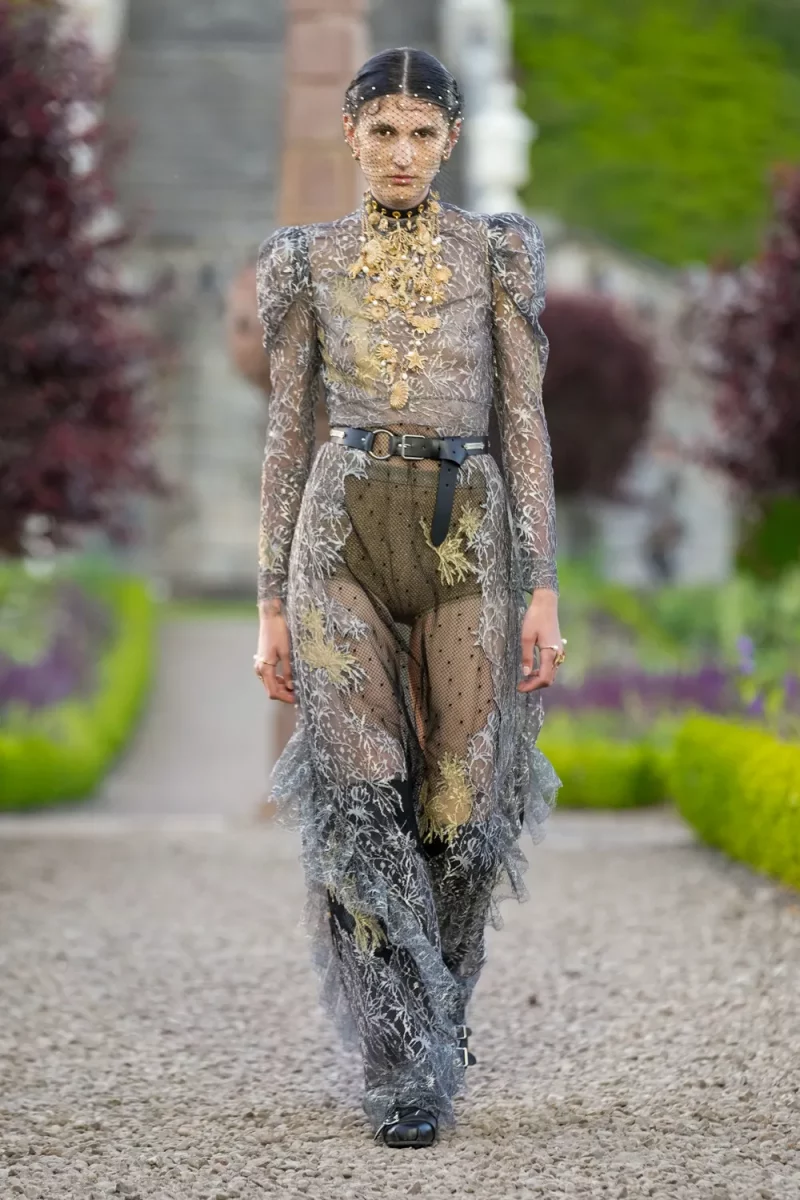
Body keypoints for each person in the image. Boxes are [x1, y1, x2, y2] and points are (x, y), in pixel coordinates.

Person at [253, 48, 564, 1148]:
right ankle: (401, 1065)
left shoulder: (494, 252)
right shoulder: (306, 259)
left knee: (464, 807)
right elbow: (284, 432)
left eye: (420, 133)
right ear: (350, 135)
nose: (399, 152)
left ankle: (439, 1009)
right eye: (380, 130)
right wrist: (270, 605)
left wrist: (541, 584)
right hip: (338, 532)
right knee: (360, 802)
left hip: (464, 536)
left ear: (450, 141)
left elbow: (523, 422)